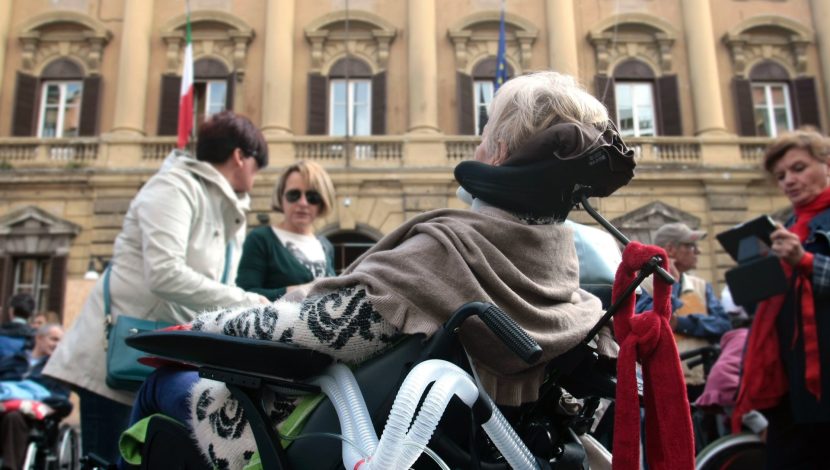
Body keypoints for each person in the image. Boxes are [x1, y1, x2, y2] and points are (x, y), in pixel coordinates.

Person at [125, 71, 634, 469]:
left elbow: (311, 333)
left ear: (498, 153)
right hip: (471, 446)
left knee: (163, 383)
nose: (477, 149)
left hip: (333, 436)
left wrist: (196, 329)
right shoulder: (572, 287)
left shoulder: (446, 254)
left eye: (484, 137)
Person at [43, 111, 271, 464]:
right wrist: (248, 301)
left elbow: (211, 288)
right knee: (108, 459)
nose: (258, 176)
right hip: (117, 360)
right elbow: (164, 273)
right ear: (240, 156)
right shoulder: (173, 186)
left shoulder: (229, 209)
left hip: (164, 359)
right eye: (258, 165)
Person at [734, 129, 830, 468]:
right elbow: (766, 306)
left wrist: (803, 260)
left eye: (799, 168)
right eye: (781, 176)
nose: (789, 180)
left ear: (827, 164)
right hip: (789, 382)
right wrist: (753, 275)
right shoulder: (787, 226)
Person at [635, 222, 730, 400]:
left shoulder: (701, 286)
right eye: (690, 246)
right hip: (663, 383)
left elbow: (724, 325)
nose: (698, 251)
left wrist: (682, 324)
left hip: (703, 383)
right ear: (670, 249)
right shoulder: (644, 286)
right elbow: (646, 322)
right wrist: (671, 285)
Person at [236, 160, 336, 301]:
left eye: (312, 197)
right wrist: (291, 292)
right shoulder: (260, 239)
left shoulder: (326, 246)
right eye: (294, 195)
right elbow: (243, 294)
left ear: (322, 202)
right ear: (281, 197)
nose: (303, 203)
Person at [0, 324, 67, 470]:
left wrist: (43, 405)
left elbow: (63, 400)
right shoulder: (12, 360)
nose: (57, 345)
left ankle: (9, 467)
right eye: (53, 339)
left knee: (13, 417)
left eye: (61, 341)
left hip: (31, 417)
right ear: (39, 338)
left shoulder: (58, 370)